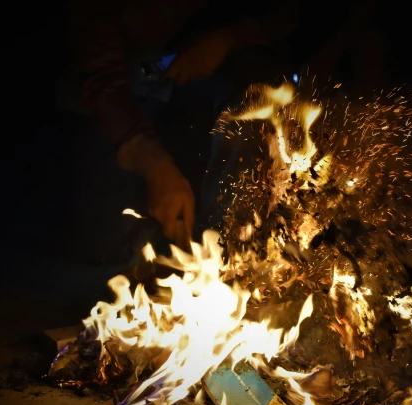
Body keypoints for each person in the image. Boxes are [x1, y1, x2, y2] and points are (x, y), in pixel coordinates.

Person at [64, 0, 302, 246]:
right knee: (104, 236)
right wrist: (151, 160)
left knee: (253, 117)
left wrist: (228, 38)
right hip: (121, 80)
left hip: (214, 61)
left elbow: (288, 16)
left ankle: (225, 242)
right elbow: (101, 77)